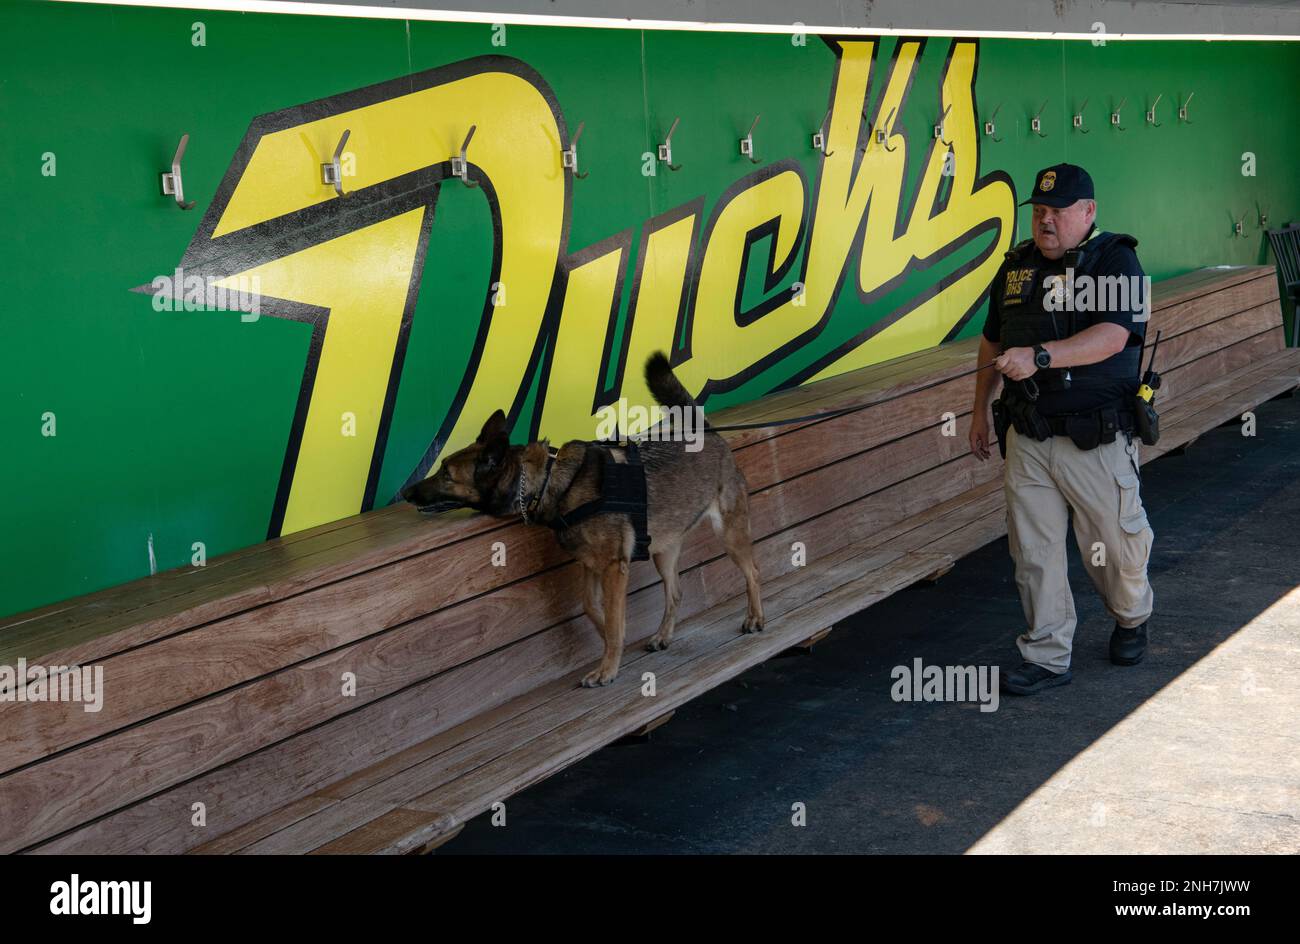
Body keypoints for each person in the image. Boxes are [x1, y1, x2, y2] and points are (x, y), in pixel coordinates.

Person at [970, 163, 1155, 696]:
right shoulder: (1016, 267)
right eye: (1039, 211)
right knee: (1034, 549)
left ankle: (1131, 615)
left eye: (1058, 211)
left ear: (1088, 211)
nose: (1046, 221)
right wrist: (980, 408)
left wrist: (1041, 356)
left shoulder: (1116, 259)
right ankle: (1047, 653)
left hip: (1094, 438)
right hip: (1028, 435)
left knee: (1113, 550)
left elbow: (1114, 337)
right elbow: (991, 340)